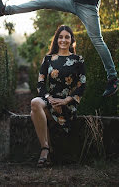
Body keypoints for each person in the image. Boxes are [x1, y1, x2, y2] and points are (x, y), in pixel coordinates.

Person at [30, 25, 86, 167]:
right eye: (60, 37)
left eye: (67, 37)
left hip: (67, 104)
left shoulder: (78, 60)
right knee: (35, 103)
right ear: (56, 40)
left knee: (33, 113)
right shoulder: (48, 59)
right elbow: (41, 83)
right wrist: (49, 98)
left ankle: (48, 152)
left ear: (71, 40)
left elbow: (82, 84)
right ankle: (45, 148)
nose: (63, 40)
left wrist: (67, 100)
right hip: (50, 99)